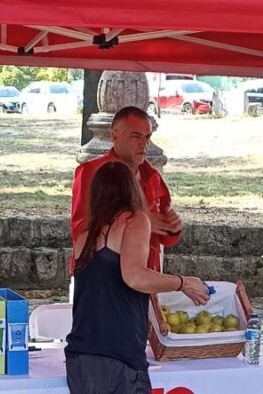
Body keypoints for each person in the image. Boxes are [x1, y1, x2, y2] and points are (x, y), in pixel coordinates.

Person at [66, 161, 208, 394]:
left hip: (80, 359)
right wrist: (182, 283)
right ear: (130, 189)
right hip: (118, 359)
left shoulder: (84, 234)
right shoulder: (135, 221)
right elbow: (134, 276)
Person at [70, 106, 181, 274]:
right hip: (102, 276)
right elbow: (80, 230)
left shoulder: (153, 177)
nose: (144, 144)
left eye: (147, 137)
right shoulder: (91, 172)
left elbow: (166, 237)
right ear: (115, 136)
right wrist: (138, 225)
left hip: (144, 277)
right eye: (136, 136)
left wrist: (172, 229)